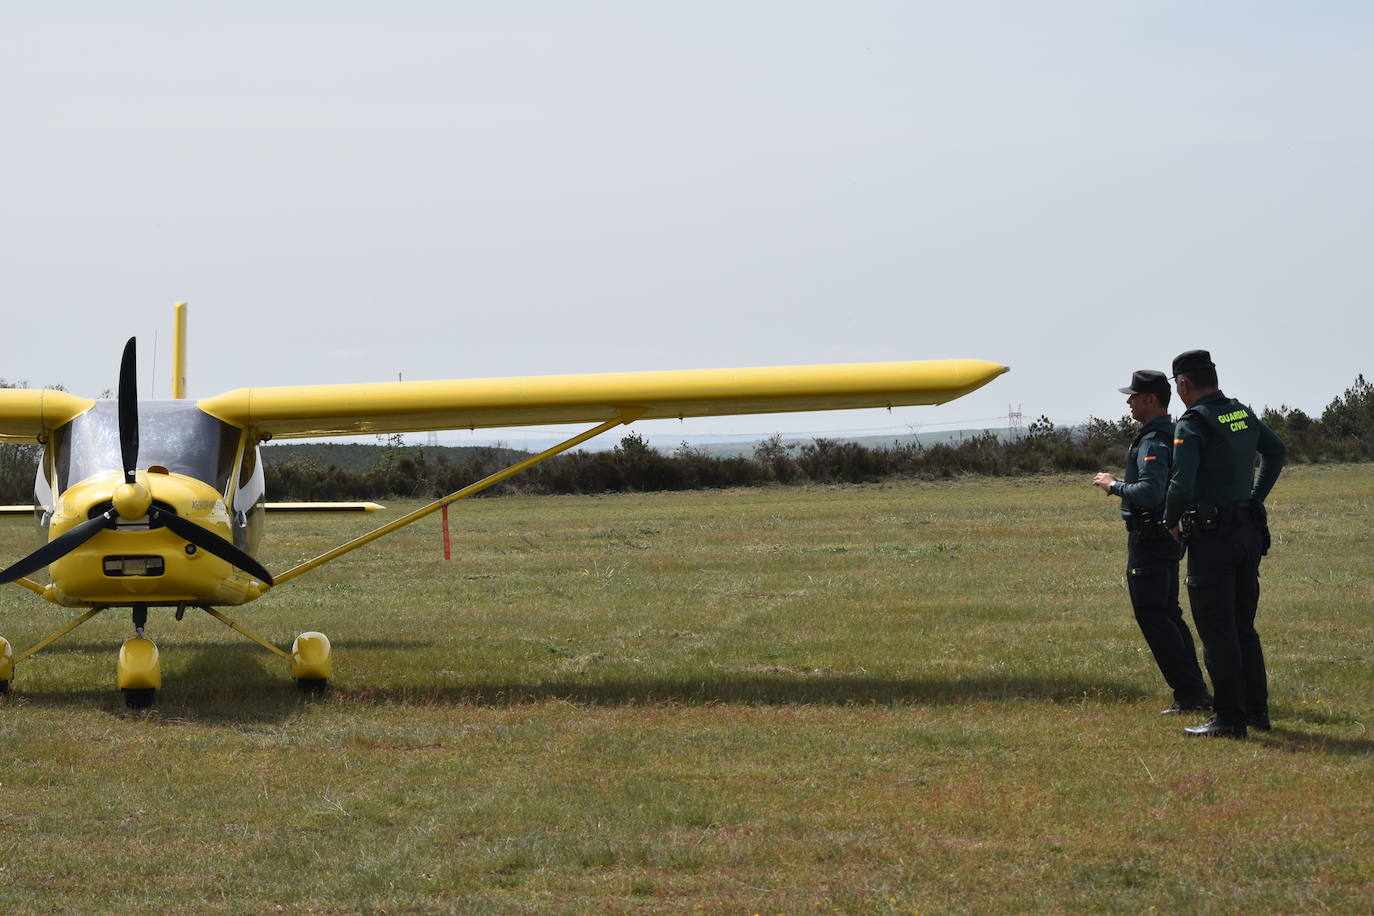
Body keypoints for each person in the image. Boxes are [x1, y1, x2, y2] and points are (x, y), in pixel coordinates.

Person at [1164, 350, 1286, 739]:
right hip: (1247, 530)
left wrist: (1169, 520)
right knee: (1243, 626)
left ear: (1183, 385)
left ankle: (1229, 719)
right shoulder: (1240, 413)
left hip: (1213, 537)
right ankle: (1256, 712)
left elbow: (1181, 482)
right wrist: (1254, 497)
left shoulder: (1194, 422)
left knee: (1217, 630)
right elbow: (1276, 451)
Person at [1093, 370, 1211, 715]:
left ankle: (1190, 694)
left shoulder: (1154, 440)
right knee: (1168, 614)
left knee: (1155, 616)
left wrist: (1113, 485)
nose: (1128, 402)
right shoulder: (1172, 433)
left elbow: (1150, 491)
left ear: (1150, 400)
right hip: (1165, 537)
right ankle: (1195, 691)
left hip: (1151, 540)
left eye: (1133, 396)